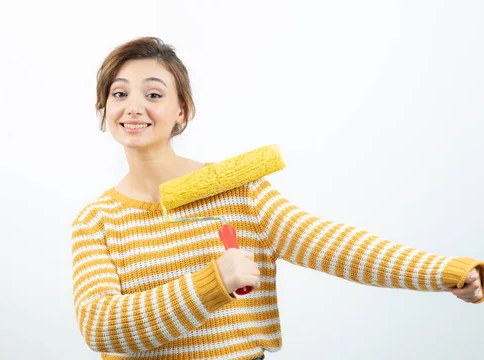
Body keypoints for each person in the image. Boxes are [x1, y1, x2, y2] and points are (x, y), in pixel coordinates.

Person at [71, 37, 483, 360]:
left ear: (182, 110)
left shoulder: (240, 193)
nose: (134, 107)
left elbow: (332, 245)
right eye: (119, 94)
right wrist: (213, 283)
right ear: (104, 107)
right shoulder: (96, 221)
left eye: (154, 94)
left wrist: (446, 271)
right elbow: (100, 326)